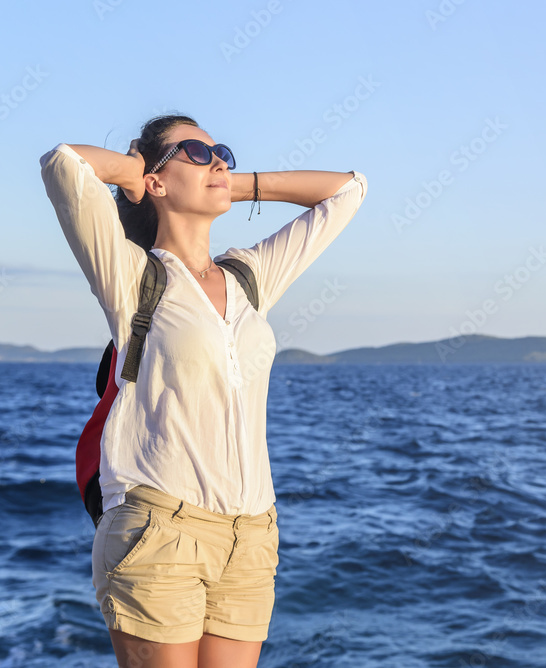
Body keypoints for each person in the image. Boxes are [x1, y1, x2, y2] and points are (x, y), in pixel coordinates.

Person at [38, 113, 367, 668]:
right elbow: (63, 163)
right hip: (160, 529)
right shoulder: (132, 274)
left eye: (224, 154)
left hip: (253, 534)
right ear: (157, 181)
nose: (218, 161)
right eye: (195, 151)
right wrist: (134, 173)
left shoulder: (249, 276)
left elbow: (346, 191)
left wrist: (232, 185)